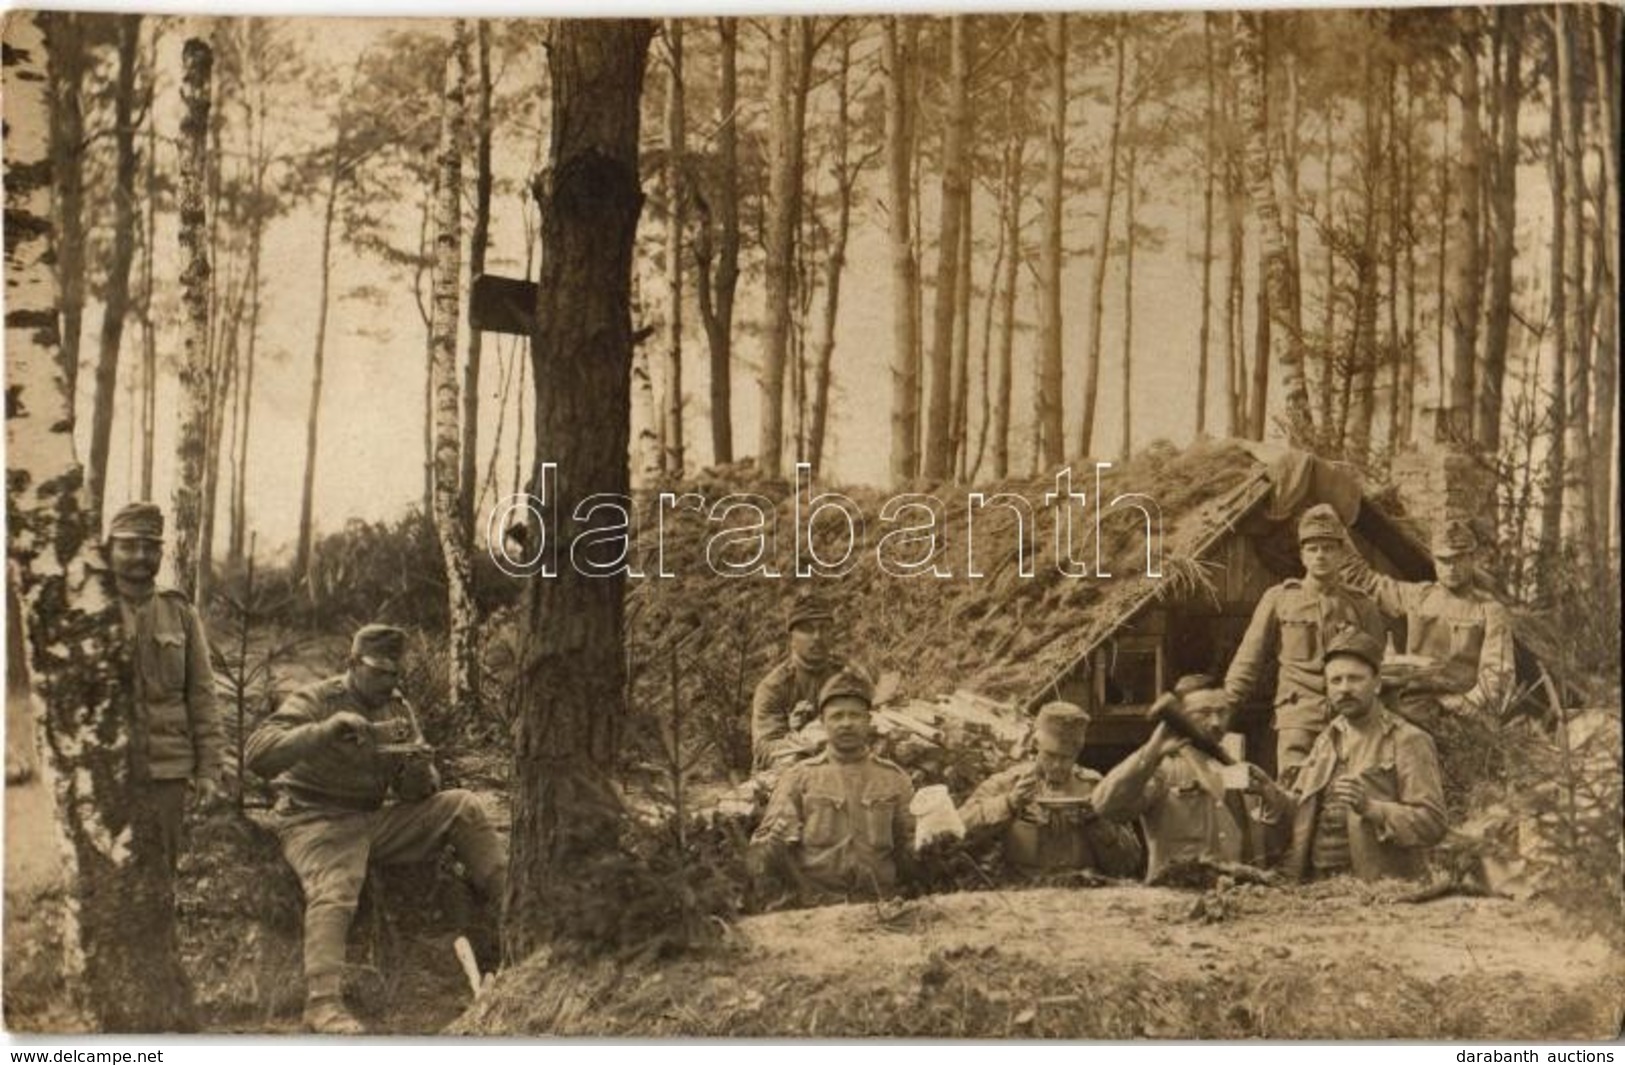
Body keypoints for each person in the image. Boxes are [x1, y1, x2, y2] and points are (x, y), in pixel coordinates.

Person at [246, 624, 508, 1034]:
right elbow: (258, 753)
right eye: (380, 670)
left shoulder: (397, 706)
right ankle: (322, 1003)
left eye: (395, 672)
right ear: (353, 664)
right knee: (336, 884)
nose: (390, 680)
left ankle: (517, 915)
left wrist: (420, 771)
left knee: (463, 806)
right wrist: (324, 731)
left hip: (371, 819)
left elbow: (412, 791)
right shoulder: (319, 698)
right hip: (314, 819)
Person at [1223, 503, 1387, 784]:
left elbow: (1376, 667)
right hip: (1297, 718)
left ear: (1340, 553)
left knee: (1351, 795)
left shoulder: (1361, 605)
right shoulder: (1280, 599)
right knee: (1294, 795)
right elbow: (1248, 659)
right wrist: (1224, 707)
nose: (1320, 555)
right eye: (1313, 549)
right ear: (1302, 555)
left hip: (1349, 718)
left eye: (1328, 548)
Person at [107, 501, 223, 870]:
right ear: (108, 549)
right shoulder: (88, 612)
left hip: (167, 770)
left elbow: (202, 695)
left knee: (161, 873)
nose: (140, 555)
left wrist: (208, 769)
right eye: (128, 545)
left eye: (150, 546)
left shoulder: (179, 613)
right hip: (105, 769)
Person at [1281, 630, 1446, 882]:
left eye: (1355, 679)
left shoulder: (1408, 740)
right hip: (1317, 887)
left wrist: (1372, 808)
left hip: (1379, 890)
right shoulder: (1326, 739)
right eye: (1336, 681)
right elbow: (1302, 811)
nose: (1344, 689)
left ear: (1377, 683)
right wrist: (1267, 792)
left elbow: (1432, 824)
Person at [1094, 681, 1292, 882]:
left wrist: (1271, 797)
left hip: (1237, 897)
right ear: (1181, 718)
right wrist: (1151, 752)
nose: (1215, 722)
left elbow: (1270, 847)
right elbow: (1105, 805)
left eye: (1222, 712)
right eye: (1204, 713)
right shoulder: (1163, 771)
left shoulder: (1240, 771)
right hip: (1176, 897)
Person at [749, 668, 916, 905]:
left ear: (869, 721)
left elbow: (909, 851)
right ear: (822, 722)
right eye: (837, 716)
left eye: (854, 715)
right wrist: (773, 844)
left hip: (881, 904)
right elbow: (761, 857)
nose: (846, 724)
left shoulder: (894, 778)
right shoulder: (799, 778)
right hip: (819, 910)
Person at [1343, 519, 1515, 728]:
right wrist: (1338, 535)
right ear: (1434, 560)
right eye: (1444, 560)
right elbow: (1365, 582)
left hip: (1463, 714)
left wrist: (1463, 706)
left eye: (1459, 559)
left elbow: (1497, 676)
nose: (1451, 568)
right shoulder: (1418, 597)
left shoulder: (1490, 610)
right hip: (1413, 706)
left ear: (1472, 559)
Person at [957, 702, 1142, 880]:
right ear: (1036, 745)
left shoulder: (1095, 788)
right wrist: (1009, 803)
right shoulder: (1008, 783)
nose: (1057, 765)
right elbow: (959, 830)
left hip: (1084, 895)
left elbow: (1129, 862)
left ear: (1078, 752)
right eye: (1050, 755)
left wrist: (1097, 822)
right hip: (1022, 895)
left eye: (1066, 757)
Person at [750, 591, 845, 771]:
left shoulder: (848, 674)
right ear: (791, 638)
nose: (817, 636)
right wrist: (807, 740)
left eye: (824, 628)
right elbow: (764, 750)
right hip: (787, 775)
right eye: (807, 629)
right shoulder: (773, 686)